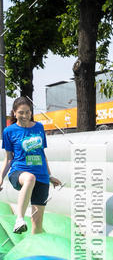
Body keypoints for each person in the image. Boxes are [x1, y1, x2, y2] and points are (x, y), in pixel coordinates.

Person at [0, 97, 61, 234]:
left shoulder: (39, 127)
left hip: (42, 176)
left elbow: (42, 154)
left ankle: (36, 250)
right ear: (14, 113)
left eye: (28, 112)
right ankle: (19, 219)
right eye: (21, 112)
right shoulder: (9, 132)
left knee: (37, 225)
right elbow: (9, 158)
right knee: (29, 178)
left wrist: (49, 175)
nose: (25, 116)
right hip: (18, 172)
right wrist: (0, 177)